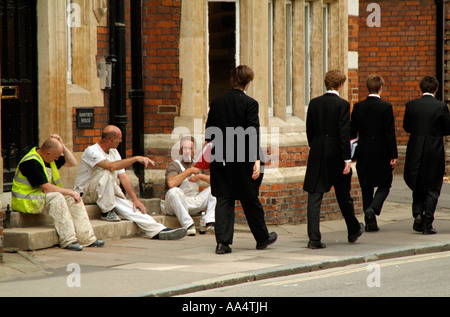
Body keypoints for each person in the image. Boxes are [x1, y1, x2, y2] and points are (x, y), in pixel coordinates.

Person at [205, 65, 277, 254]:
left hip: (220, 157)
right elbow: (252, 133)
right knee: (250, 199)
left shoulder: (217, 102)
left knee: (224, 199)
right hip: (244, 159)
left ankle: (223, 243)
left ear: (233, 80)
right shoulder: (250, 104)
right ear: (247, 82)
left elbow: (208, 134)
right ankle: (262, 238)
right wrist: (256, 160)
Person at [74, 125, 187, 240]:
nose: (121, 141)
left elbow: (123, 177)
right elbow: (111, 166)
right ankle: (107, 212)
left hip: (107, 193)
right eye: (119, 139)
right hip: (86, 194)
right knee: (107, 171)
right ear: (111, 140)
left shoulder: (114, 152)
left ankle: (158, 230)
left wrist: (135, 200)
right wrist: (136, 158)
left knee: (133, 210)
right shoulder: (91, 151)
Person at [12, 135, 104, 251]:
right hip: (25, 200)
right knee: (58, 197)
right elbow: (46, 188)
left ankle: (87, 238)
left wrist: (62, 145)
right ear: (48, 153)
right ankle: (68, 240)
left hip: (40, 196)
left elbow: (72, 162)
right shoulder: (31, 162)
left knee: (73, 198)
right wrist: (70, 191)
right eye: (56, 156)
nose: (57, 159)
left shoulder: (49, 158)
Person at [303, 69, 363, 249]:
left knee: (314, 196)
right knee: (343, 195)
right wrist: (347, 159)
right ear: (341, 85)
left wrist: (314, 146)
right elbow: (343, 134)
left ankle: (314, 239)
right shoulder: (342, 104)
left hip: (318, 151)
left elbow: (309, 129)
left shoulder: (314, 103)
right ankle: (353, 230)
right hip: (337, 153)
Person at [350, 74, 398, 232]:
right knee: (385, 182)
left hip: (363, 149)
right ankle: (373, 208)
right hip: (382, 150)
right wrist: (393, 155)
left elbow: (352, 132)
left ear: (367, 87)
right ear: (380, 88)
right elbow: (389, 133)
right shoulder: (385, 107)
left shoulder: (358, 107)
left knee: (366, 185)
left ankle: (370, 222)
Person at [403, 76, 450, 234]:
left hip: (415, 148)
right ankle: (427, 223)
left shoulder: (411, 105)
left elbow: (406, 127)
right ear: (436, 89)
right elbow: (447, 128)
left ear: (421, 88)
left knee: (417, 181)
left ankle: (417, 213)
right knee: (432, 187)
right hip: (434, 150)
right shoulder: (440, 106)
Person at [161, 136, 216, 236]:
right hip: (173, 205)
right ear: (181, 150)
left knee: (216, 188)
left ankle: (209, 221)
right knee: (174, 191)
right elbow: (171, 184)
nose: (187, 151)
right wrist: (190, 171)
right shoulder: (174, 165)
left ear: (194, 151)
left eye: (190, 148)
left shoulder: (198, 164)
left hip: (192, 202)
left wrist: (200, 176)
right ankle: (188, 225)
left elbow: (216, 181)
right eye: (185, 148)